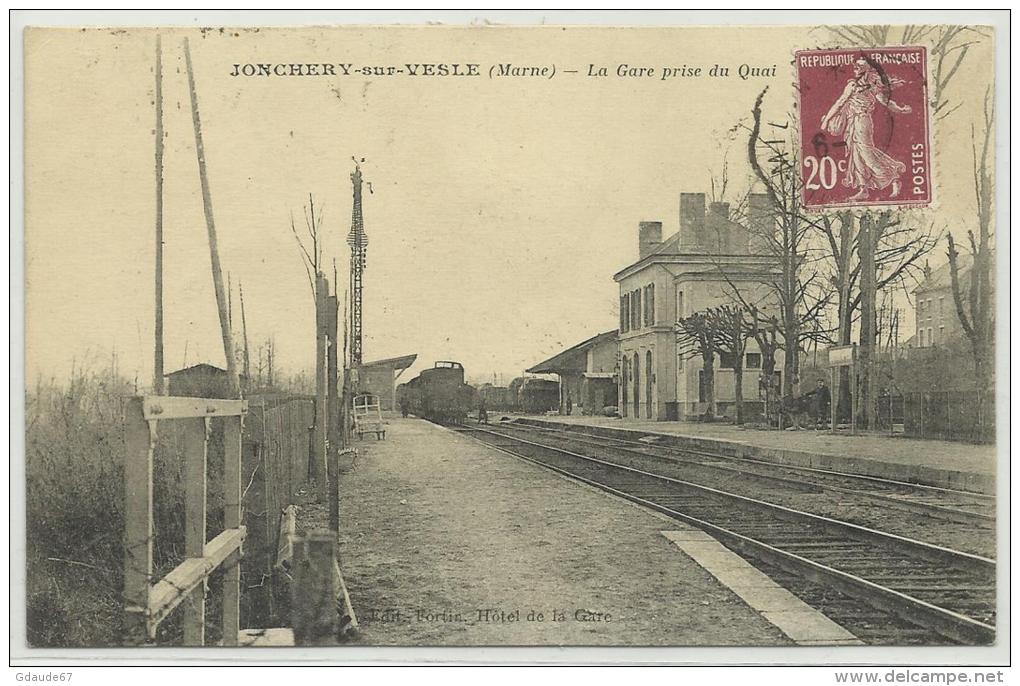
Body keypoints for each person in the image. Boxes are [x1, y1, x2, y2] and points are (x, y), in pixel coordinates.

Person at [821, 56, 912, 202]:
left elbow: (885, 101)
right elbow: (839, 103)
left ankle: (893, 176)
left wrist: (900, 109)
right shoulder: (852, 86)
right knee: (856, 154)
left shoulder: (872, 86)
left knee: (866, 152)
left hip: (862, 121)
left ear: (866, 70)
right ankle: (863, 189)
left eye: (859, 67)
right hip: (852, 123)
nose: (856, 70)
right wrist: (826, 120)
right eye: (855, 67)